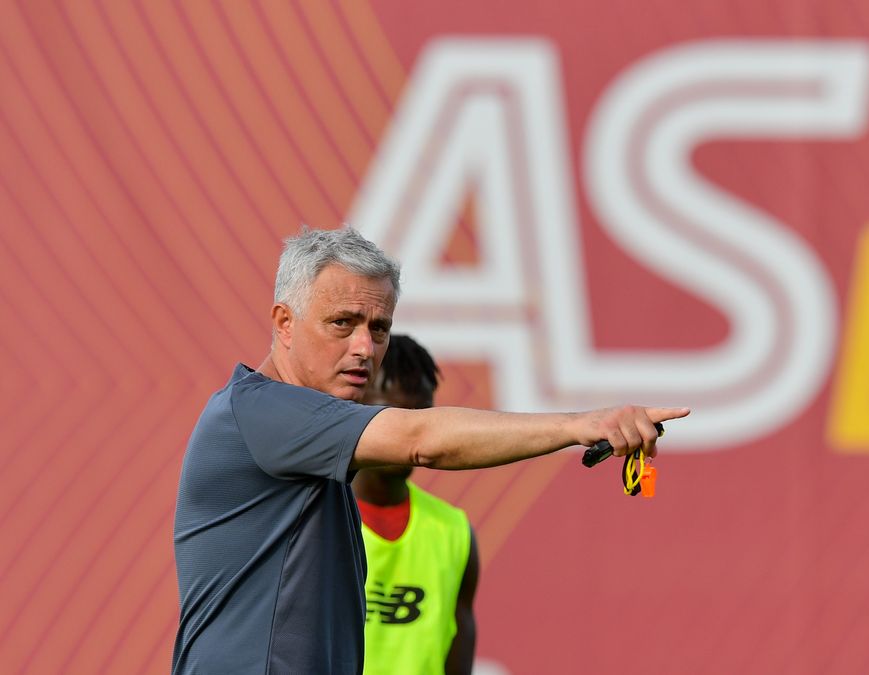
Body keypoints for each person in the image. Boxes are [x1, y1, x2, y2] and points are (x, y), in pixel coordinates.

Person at [172, 226, 687, 675]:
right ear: (284, 323)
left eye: (379, 328)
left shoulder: (304, 440)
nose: (364, 348)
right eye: (341, 323)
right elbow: (422, 441)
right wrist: (583, 424)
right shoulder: (264, 412)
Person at [353, 335, 478, 675]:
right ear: (357, 406)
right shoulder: (313, 517)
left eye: (420, 416)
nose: (410, 431)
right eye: (393, 416)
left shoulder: (454, 531)